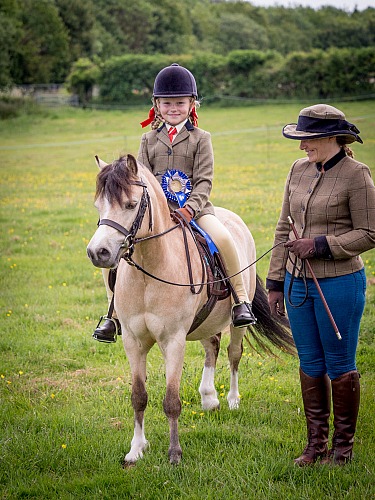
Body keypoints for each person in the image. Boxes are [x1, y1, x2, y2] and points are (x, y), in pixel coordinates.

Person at [93, 63, 256, 343]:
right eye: (167, 103)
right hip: (156, 215)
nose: (173, 109)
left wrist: (190, 208)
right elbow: (140, 180)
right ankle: (112, 315)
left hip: (195, 210)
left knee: (224, 238)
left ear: (192, 104)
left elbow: (204, 181)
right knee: (119, 253)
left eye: (180, 103)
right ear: (157, 105)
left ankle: (240, 300)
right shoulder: (148, 139)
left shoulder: (201, 139)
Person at [266, 104, 375, 466]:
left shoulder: (356, 174)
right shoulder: (297, 170)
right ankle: (315, 446)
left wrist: (321, 245)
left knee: (339, 362)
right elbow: (284, 227)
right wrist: (276, 281)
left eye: (307, 140)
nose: (301, 147)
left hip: (340, 284)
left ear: (331, 138)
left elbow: (370, 232)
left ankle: (342, 450)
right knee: (310, 362)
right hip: (298, 284)